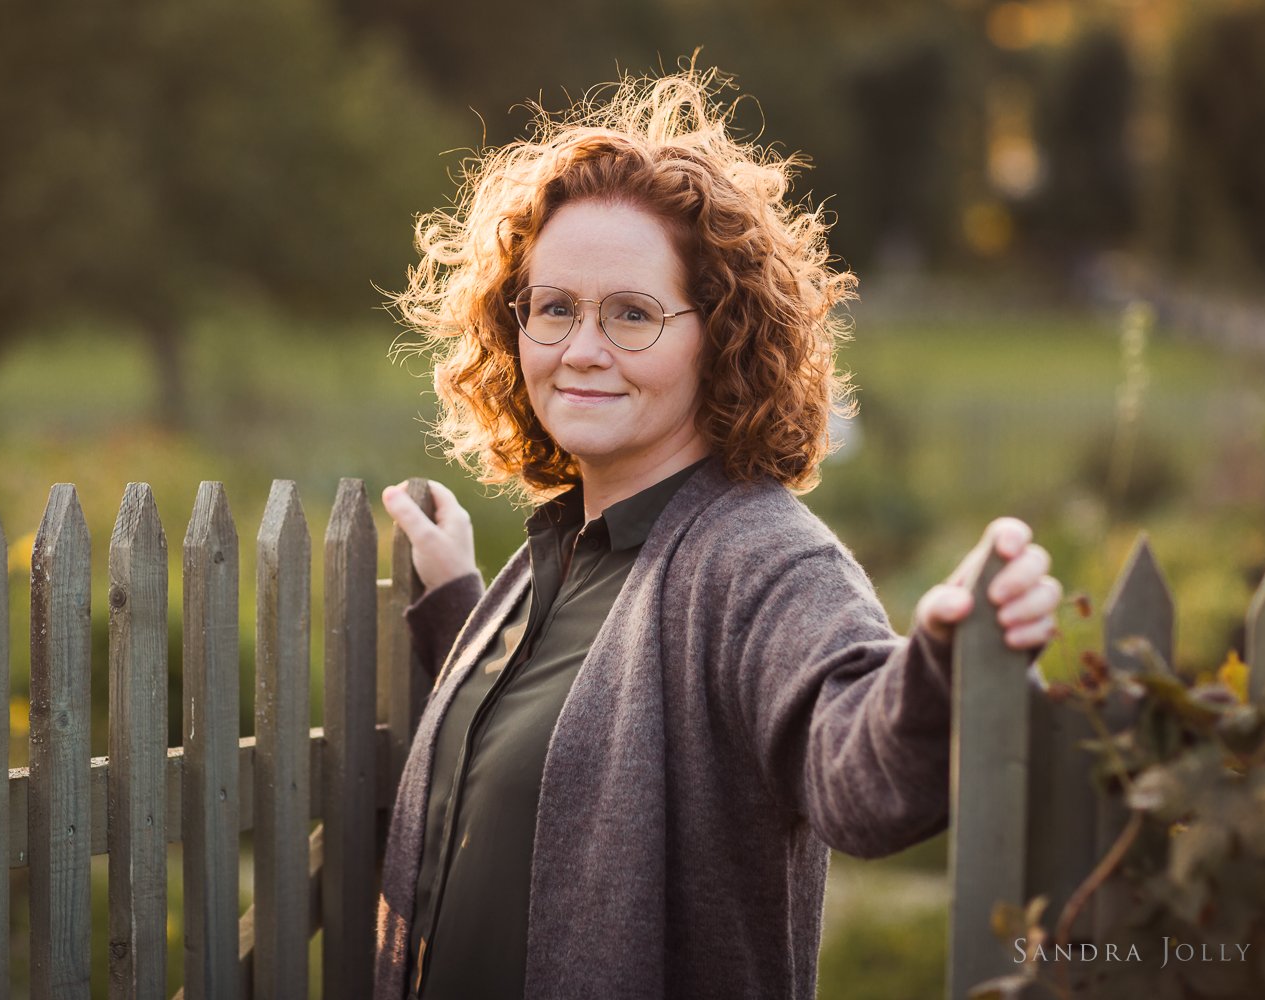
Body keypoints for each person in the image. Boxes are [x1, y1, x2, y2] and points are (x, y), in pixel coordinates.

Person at [373, 67, 1061, 1000]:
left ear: (724, 336)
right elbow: (558, 721)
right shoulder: (564, 550)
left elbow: (859, 776)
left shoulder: (759, 558)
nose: (582, 348)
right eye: (554, 307)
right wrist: (461, 599)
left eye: (632, 314)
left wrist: (939, 664)